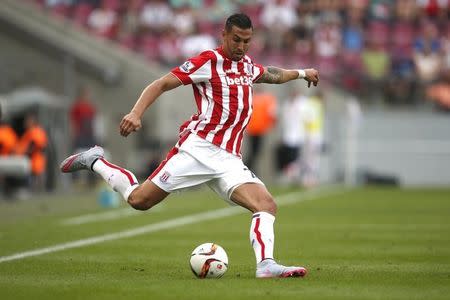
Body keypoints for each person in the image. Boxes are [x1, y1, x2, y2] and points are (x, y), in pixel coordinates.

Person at [60, 13, 319, 278]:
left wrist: (302, 73)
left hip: (229, 159)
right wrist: (136, 113)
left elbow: (272, 75)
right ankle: (95, 161)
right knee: (139, 200)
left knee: (266, 204)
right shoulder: (208, 61)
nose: (241, 47)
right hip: (197, 150)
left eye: (247, 41)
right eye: (236, 40)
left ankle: (266, 265)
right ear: (224, 35)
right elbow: (161, 83)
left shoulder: (247, 66)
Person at [244, 86, 277, 173]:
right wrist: (273, 123)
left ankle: (250, 168)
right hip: (259, 129)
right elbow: (272, 113)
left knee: (254, 151)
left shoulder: (251, 98)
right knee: (255, 151)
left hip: (252, 128)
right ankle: (248, 168)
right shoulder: (267, 99)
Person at [15, 113, 48, 191]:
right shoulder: (29, 131)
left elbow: (35, 145)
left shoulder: (36, 131)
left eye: (27, 121)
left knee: (35, 180)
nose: (25, 123)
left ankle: (37, 193)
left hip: (35, 159)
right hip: (30, 160)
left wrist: (26, 153)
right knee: (33, 179)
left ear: (33, 121)